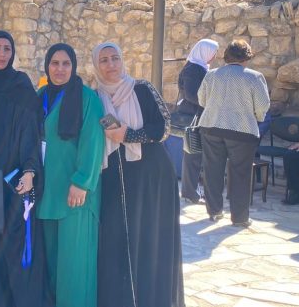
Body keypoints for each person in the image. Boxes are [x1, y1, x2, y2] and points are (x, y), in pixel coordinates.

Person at [93, 42, 184, 307]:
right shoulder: (94, 98)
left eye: (115, 58)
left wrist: (129, 135)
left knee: (150, 239)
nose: (111, 64)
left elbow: (164, 127)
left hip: (152, 178)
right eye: (104, 60)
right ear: (96, 65)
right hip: (113, 179)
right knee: (117, 240)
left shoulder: (142, 89)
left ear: (122, 60)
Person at [0, 31, 52, 307]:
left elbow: (32, 132)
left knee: (18, 244)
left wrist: (30, 170)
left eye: (7, 48)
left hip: (15, 180)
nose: (2, 54)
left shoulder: (22, 87)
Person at [35, 43, 104, 307]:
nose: (60, 69)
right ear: (47, 66)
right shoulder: (40, 96)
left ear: (73, 66)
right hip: (47, 193)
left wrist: (82, 182)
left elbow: (93, 142)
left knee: (75, 268)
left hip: (75, 195)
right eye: (55, 63)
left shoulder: (87, 99)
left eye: (66, 64)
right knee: (53, 267)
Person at [198, 40, 270, 227]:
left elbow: (202, 100)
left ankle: (214, 211)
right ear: (247, 56)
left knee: (212, 170)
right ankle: (239, 217)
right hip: (242, 130)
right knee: (240, 174)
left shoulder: (211, 75)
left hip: (211, 126)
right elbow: (262, 105)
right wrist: (257, 117)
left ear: (227, 56)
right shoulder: (254, 77)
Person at [177, 39, 219, 204]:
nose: (215, 56)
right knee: (193, 154)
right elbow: (190, 95)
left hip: (199, 115)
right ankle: (190, 192)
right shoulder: (193, 69)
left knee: (195, 154)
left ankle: (192, 191)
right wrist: (210, 103)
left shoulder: (198, 67)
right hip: (194, 116)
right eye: (213, 52)